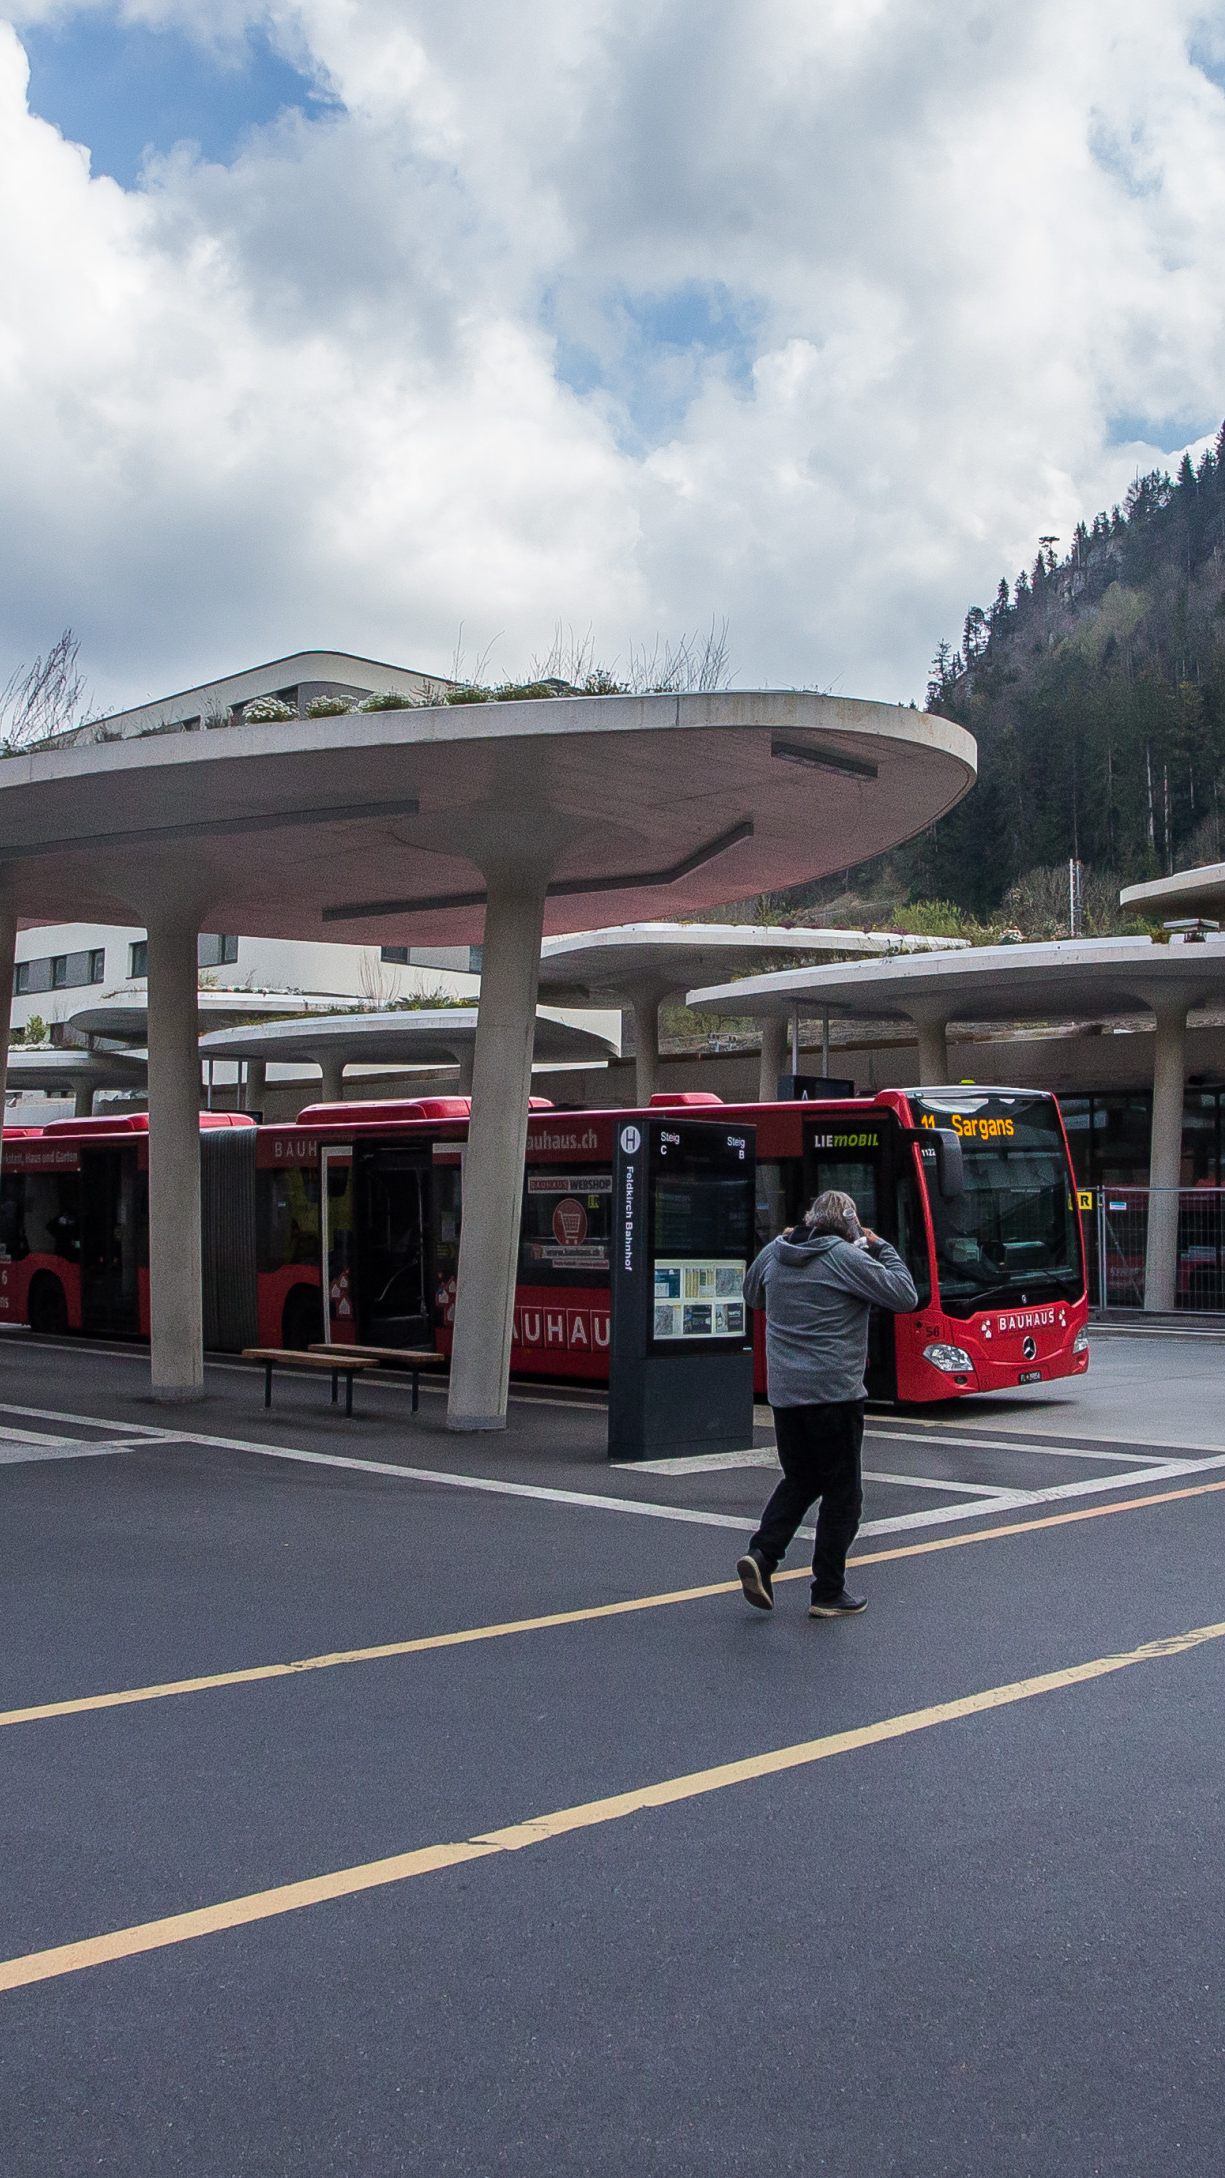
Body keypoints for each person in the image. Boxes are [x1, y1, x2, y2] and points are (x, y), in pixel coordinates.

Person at [736, 1188, 917, 1619]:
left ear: (809, 1218)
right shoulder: (845, 1257)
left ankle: (762, 1555)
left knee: (801, 1479)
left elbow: (751, 1295)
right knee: (843, 1496)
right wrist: (880, 1246)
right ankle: (828, 1592)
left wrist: (778, 1246)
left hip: (786, 1397)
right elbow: (905, 1295)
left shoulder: (775, 1252)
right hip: (834, 1395)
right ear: (850, 1225)